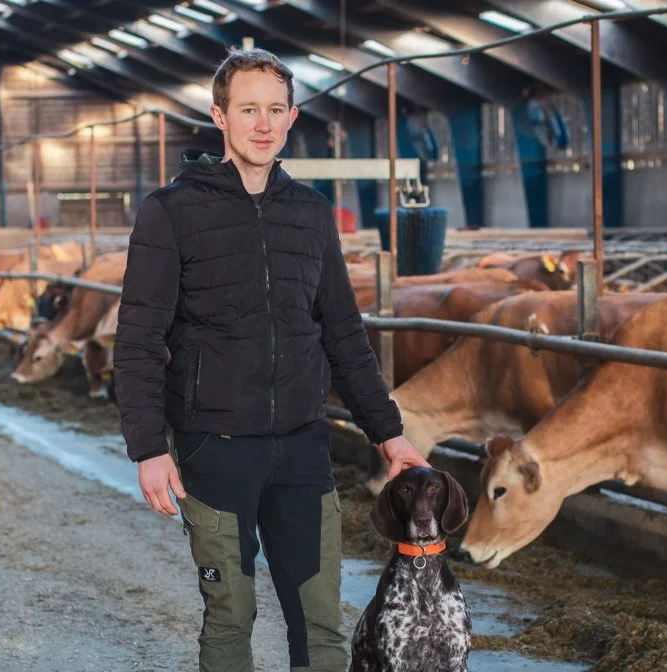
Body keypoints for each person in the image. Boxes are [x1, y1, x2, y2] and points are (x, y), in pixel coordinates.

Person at [112, 47, 429, 672]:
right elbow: (139, 338)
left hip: (304, 450)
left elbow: (343, 333)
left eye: (275, 110)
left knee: (321, 623)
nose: (263, 123)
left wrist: (390, 435)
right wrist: (149, 448)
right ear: (220, 116)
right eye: (248, 109)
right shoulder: (171, 212)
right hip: (214, 448)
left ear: (291, 118)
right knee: (230, 617)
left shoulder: (311, 214)